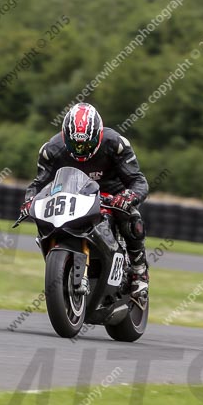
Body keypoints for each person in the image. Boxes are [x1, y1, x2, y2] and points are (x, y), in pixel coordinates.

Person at [21, 103, 149, 296]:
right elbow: (38, 184)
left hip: (111, 195)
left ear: (97, 135)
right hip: (73, 195)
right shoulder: (51, 151)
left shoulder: (116, 144)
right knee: (43, 220)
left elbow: (138, 180)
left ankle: (139, 271)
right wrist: (29, 201)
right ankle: (59, 265)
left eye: (86, 144)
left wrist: (128, 196)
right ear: (66, 136)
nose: (80, 149)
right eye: (75, 144)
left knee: (132, 217)